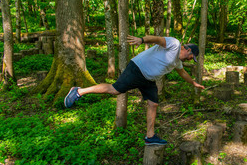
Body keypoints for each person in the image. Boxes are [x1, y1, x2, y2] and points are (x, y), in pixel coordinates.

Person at [64, 35, 205, 145]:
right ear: (188, 50)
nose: (190, 59)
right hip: (137, 68)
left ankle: (150, 137)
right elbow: (157, 39)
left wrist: (193, 83)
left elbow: (183, 73)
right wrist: (142, 40)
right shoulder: (174, 44)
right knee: (115, 90)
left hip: (148, 79)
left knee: (153, 103)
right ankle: (79, 91)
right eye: (191, 57)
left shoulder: (177, 61)